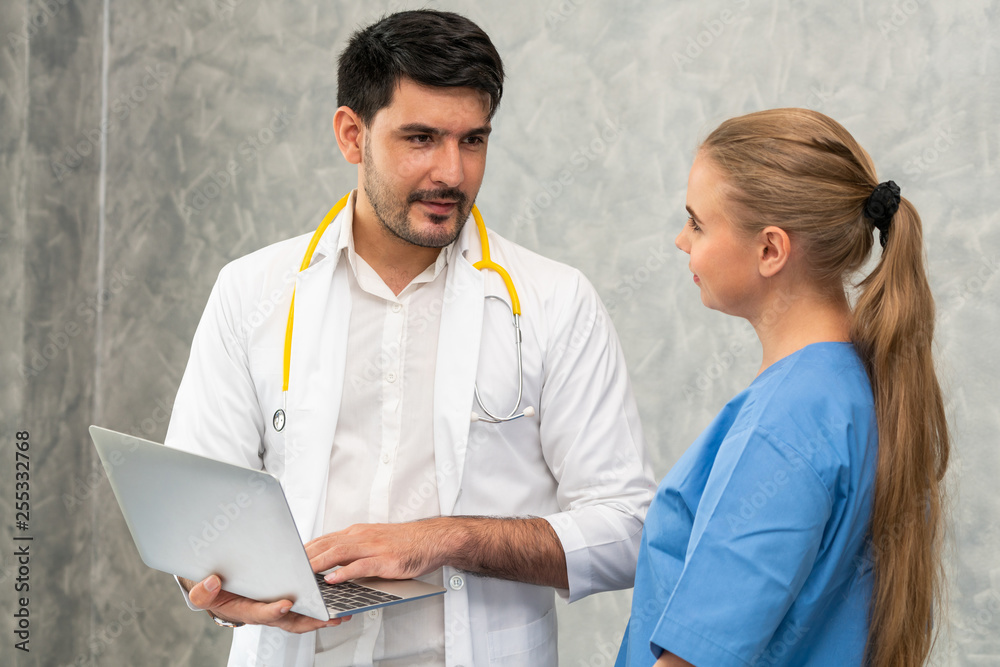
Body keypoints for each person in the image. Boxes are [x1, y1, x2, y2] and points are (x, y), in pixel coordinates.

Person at [164, 9, 655, 667]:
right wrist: (214, 579)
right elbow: (196, 509)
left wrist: (445, 538)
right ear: (351, 134)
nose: (452, 173)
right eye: (421, 138)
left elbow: (628, 528)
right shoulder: (251, 291)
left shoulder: (554, 302)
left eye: (472, 140)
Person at [616, 109, 949, 667]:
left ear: (770, 249)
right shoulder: (856, 388)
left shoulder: (786, 423)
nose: (680, 240)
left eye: (697, 223)